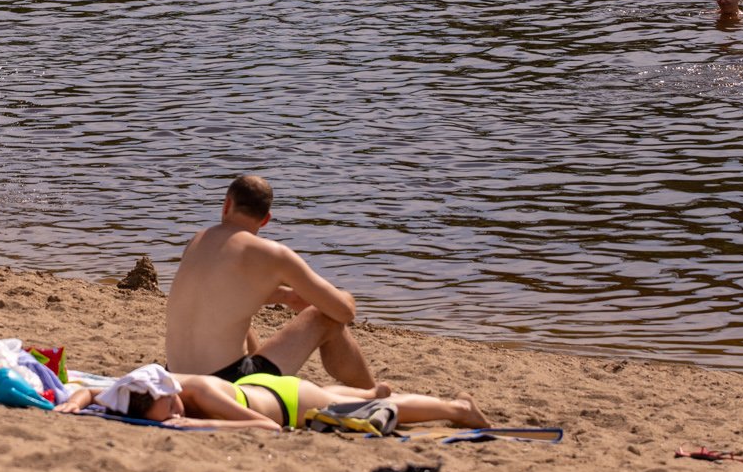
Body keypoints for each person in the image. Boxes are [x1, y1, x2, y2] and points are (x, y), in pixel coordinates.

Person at [166, 175, 375, 388]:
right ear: (266, 219)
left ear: (227, 204)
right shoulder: (273, 254)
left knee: (232, 317)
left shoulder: (199, 239)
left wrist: (285, 296)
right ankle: (371, 392)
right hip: (226, 383)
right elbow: (344, 312)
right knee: (323, 317)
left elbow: (222, 295)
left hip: (174, 378)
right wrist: (345, 299)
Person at [56, 366, 487, 432]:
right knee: (342, 395)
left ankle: (457, 408)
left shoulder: (198, 393)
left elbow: (266, 427)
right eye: (165, 412)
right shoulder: (140, 389)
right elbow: (93, 390)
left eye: (172, 405)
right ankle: (371, 389)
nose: (174, 412)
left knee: (361, 411)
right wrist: (75, 404)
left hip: (286, 402)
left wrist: (195, 423)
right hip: (260, 388)